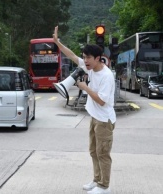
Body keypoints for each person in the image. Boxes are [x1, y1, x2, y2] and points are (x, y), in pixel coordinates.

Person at [53, 26, 116, 194]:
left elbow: (102, 101)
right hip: (95, 117)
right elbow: (71, 55)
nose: (85, 61)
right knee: (93, 151)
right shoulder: (90, 67)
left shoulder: (107, 76)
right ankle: (97, 181)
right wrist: (57, 43)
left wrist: (85, 87)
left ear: (98, 58)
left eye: (88, 58)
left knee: (103, 154)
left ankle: (105, 187)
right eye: (84, 58)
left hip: (104, 120)